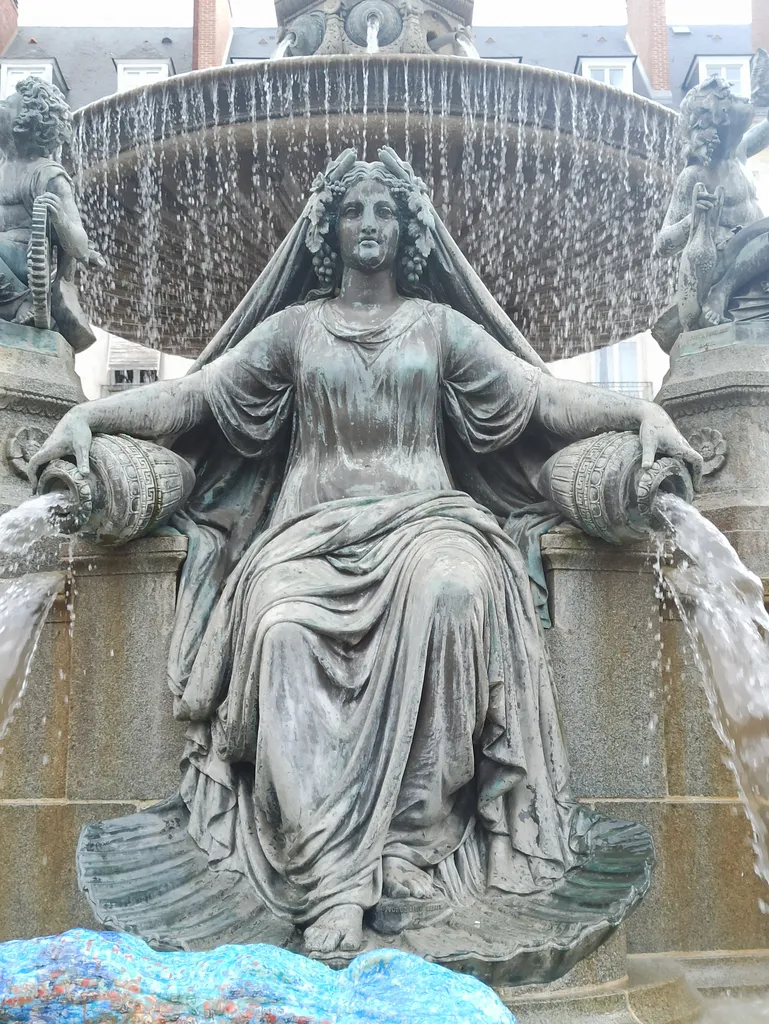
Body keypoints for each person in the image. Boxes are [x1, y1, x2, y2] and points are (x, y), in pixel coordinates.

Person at [31, 149, 701, 955]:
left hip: (428, 523)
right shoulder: (294, 330)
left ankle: (409, 847)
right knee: (277, 629)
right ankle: (332, 881)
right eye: (355, 212)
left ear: (408, 228)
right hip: (307, 537)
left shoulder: (441, 327)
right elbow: (194, 394)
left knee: (453, 595)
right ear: (331, 228)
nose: (371, 225)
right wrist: (91, 421)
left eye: (385, 211)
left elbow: (543, 396)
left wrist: (640, 420)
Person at [654, 67, 769, 342]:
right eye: (736, 98)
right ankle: (723, 292)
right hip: (718, 261)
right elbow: (663, 245)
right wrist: (693, 217)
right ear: (722, 118)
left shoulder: (740, 154)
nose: (746, 101)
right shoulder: (696, 175)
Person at [0, 76, 102, 350]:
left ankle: (24, 302)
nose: (0, 105)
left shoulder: (46, 174)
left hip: (24, 261)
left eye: (7, 104)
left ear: (25, 121)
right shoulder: (2, 165)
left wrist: (58, 218)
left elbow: (79, 244)